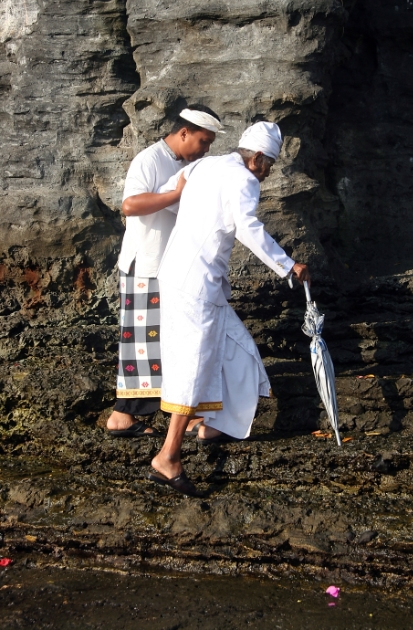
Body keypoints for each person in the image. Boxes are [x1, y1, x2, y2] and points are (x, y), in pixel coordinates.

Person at [149, 121, 310, 494]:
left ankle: (212, 423)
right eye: (268, 164)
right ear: (256, 158)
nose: (268, 173)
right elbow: (248, 228)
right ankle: (168, 456)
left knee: (237, 348)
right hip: (196, 285)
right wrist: (289, 265)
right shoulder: (244, 180)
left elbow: (171, 191)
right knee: (194, 363)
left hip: (179, 275)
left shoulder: (205, 165)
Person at [106, 105, 224, 438]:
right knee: (141, 344)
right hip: (144, 264)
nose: (205, 149)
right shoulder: (149, 159)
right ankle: (122, 416)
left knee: (170, 343)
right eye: (203, 142)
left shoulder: (189, 164)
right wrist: (175, 194)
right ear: (183, 132)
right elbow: (130, 205)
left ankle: (177, 412)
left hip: (171, 267)